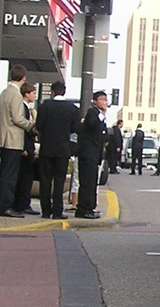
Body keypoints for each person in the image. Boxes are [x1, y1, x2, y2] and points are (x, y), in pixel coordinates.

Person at [35, 81, 81, 219]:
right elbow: (75, 129)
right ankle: (57, 211)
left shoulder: (44, 106)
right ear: (64, 92)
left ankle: (45, 210)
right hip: (63, 149)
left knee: (45, 180)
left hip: (47, 148)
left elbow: (39, 125)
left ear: (52, 92)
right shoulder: (72, 108)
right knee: (59, 180)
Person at [0, 64, 35, 216]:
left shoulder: (4, 93)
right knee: (10, 176)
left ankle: (0, 204)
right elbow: (18, 118)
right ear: (23, 78)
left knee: (4, 173)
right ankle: (6, 206)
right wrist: (30, 125)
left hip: (3, 137)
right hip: (13, 139)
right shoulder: (16, 95)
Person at [76, 90, 108, 218]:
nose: (105, 102)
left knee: (92, 182)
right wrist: (102, 115)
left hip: (94, 154)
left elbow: (103, 132)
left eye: (106, 99)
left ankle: (89, 207)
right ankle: (84, 209)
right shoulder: (92, 113)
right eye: (102, 99)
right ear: (95, 101)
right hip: (88, 153)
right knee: (87, 182)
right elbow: (93, 125)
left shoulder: (99, 115)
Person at [12, 83, 39, 214]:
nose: (35, 95)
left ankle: (23, 203)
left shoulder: (28, 108)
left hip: (28, 145)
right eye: (33, 93)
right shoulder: (22, 107)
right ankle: (21, 204)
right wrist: (24, 147)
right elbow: (21, 129)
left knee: (26, 177)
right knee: (24, 177)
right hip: (24, 146)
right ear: (26, 94)